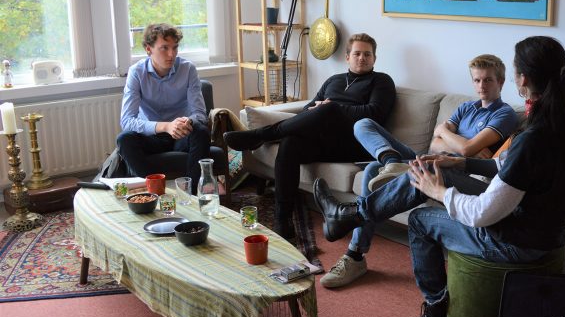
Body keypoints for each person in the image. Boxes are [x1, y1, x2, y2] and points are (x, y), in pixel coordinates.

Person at [314, 36, 565, 317]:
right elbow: (508, 167)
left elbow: (483, 214)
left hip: (517, 242)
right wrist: (461, 162)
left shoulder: (533, 134)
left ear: (521, 79)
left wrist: (440, 192)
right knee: (432, 168)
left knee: (420, 220)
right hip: (541, 229)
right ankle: (349, 215)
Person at [320, 54, 519, 289]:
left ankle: (354, 254)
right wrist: (455, 140)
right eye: (477, 80)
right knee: (363, 125)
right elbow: (437, 143)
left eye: (488, 80)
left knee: (373, 169)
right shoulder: (467, 107)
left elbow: (465, 150)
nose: (481, 86)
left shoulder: (504, 114)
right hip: (429, 158)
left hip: (454, 172)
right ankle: (391, 160)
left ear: (501, 82)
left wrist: (449, 135)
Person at [225, 34, 396, 270]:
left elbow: (374, 114)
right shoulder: (334, 80)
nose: (362, 58)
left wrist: (333, 108)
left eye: (367, 54)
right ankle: (283, 220)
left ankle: (261, 135)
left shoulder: (382, 81)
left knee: (329, 109)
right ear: (347, 57)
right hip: (324, 140)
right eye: (357, 53)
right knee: (290, 144)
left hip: (354, 144)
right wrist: (321, 109)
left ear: (374, 58)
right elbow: (307, 111)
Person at [118, 23, 211, 185]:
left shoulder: (188, 69)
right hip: (151, 137)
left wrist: (187, 121)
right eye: (164, 48)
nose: (171, 54)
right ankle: (155, 190)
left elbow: (200, 114)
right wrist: (166, 126)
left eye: (175, 48)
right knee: (124, 139)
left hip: (182, 135)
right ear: (149, 49)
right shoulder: (136, 72)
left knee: (201, 131)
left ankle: (193, 192)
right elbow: (126, 121)